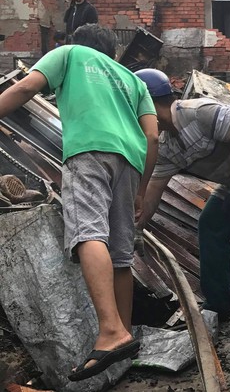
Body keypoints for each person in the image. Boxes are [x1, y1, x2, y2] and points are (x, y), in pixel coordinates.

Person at [0, 24, 159, 381]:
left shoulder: (69, 54)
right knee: (120, 255)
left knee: (88, 234)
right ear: (111, 52)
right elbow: (152, 136)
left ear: (79, 43)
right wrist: (140, 190)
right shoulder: (134, 80)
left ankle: (110, 332)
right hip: (131, 161)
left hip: (88, 149)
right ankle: (123, 338)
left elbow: (26, 87)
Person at [134, 68, 230, 318]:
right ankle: (217, 305)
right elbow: (153, 192)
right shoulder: (165, 144)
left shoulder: (200, 113)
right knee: (211, 226)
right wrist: (135, 229)